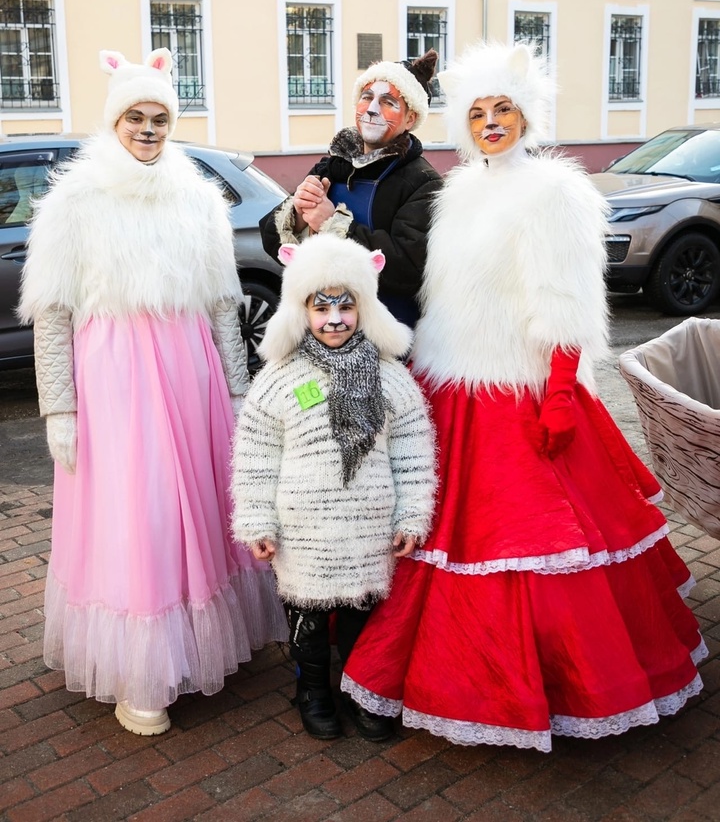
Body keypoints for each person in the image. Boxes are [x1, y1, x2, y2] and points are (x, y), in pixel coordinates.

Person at [342, 41, 707, 752]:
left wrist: (561, 390)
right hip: (450, 385)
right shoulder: (455, 192)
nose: (490, 122)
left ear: (526, 115)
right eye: (478, 112)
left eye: (503, 108)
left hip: (522, 392)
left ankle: (560, 685)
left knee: (531, 541)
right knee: (433, 533)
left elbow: (565, 300)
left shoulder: (554, 191)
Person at [19, 48, 287, 736]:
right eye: (135, 117)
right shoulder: (75, 200)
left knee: (195, 504)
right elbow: (52, 312)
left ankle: (203, 637)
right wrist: (60, 407)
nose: (147, 129)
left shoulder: (198, 198)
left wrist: (236, 390)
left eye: (159, 118)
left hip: (190, 374)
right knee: (138, 515)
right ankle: (142, 671)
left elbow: (223, 303)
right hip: (114, 380)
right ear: (115, 122)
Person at [231, 233, 436, 741]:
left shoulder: (391, 377)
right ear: (301, 311)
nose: (335, 319)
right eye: (321, 308)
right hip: (303, 532)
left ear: (365, 308)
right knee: (308, 620)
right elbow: (256, 456)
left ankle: (359, 689)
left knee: (361, 621)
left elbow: (413, 452)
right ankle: (312, 690)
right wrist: (257, 520)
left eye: (346, 306)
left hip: (369, 529)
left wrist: (412, 514)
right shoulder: (279, 378)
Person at [259, 50, 444, 327]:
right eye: (366, 97)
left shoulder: (423, 183)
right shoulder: (332, 165)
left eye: (388, 102)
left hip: (384, 333)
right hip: (322, 329)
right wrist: (298, 214)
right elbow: (271, 240)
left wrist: (332, 223)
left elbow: (407, 269)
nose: (372, 109)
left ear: (410, 119)